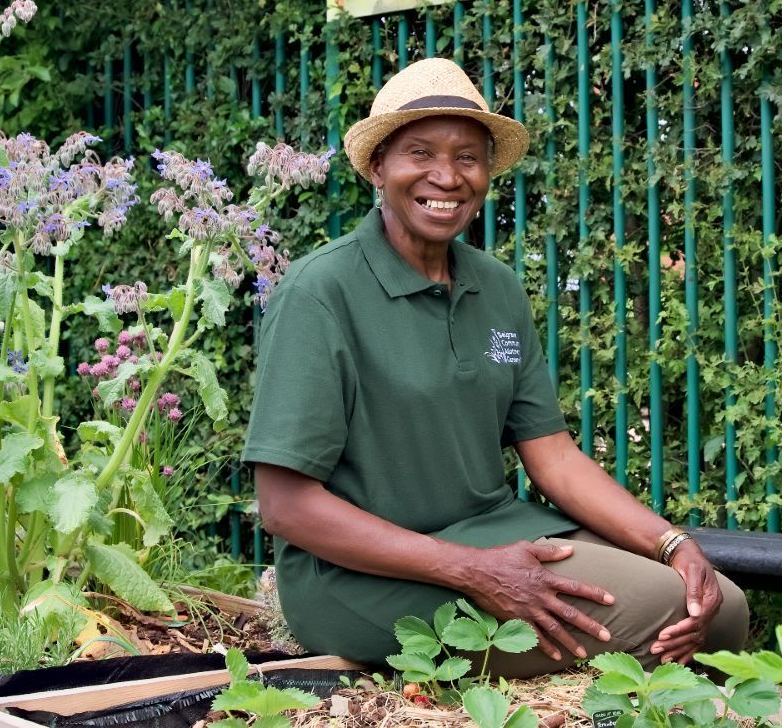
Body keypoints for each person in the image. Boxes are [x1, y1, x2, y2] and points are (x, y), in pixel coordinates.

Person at [242, 57, 748, 676]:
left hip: (493, 531)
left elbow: (553, 456)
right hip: (359, 577)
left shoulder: (495, 287)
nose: (446, 177)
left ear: (487, 172)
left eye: (467, 157)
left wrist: (673, 541)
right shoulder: (321, 291)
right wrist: (472, 571)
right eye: (419, 153)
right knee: (664, 614)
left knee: (720, 609)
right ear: (378, 167)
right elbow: (286, 506)